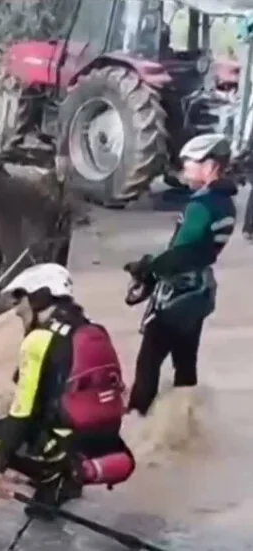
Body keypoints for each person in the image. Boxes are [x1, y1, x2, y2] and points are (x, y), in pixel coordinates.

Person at [0, 263, 135, 519]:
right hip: (105, 442)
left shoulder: (39, 339)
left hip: (64, 446)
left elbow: (22, 412)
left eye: (20, 298)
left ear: (39, 297)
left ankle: (50, 476)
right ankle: (65, 477)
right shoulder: (93, 329)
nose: (16, 309)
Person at [125, 134, 237, 416]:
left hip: (177, 295)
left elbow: (179, 253)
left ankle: (137, 422)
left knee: (149, 362)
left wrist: (146, 269)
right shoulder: (226, 203)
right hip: (199, 293)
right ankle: (185, 421)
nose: (185, 167)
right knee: (186, 364)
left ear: (210, 166)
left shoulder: (201, 206)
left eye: (190, 162)